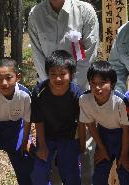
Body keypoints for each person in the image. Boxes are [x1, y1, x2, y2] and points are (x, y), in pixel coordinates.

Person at [28, 0, 99, 91]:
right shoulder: (35, 14)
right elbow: (37, 55)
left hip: (80, 90)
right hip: (49, 89)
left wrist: (72, 87)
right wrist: (52, 85)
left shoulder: (85, 11)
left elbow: (89, 55)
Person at [30, 50, 83, 185]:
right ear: (47, 74)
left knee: (71, 174)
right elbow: (38, 121)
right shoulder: (39, 92)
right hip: (46, 136)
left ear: (71, 75)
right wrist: (41, 145)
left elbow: (83, 122)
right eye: (53, 74)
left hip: (69, 137)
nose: (58, 79)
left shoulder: (77, 94)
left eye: (62, 74)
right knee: (39, 172)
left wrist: (81, 146)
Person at [79, 60, 129, 185]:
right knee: (99, 173)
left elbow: (127, 129)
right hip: (103, 135)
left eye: (103, 83)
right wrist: (101, 148)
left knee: (125, 173)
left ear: (112, 83)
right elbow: (90, 125)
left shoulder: (120, 101)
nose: (97, 88)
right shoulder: (85, 99)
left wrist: (124, 155)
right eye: (93, 83)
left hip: (123, 137)